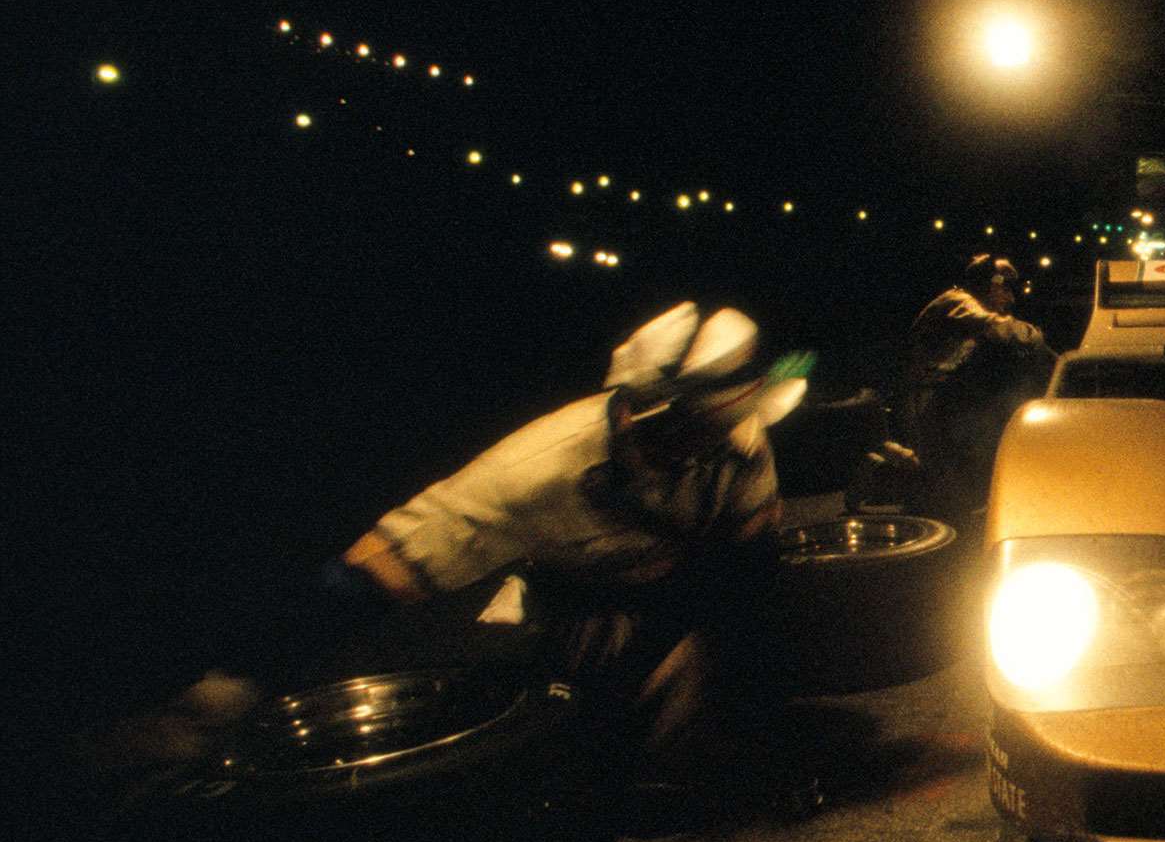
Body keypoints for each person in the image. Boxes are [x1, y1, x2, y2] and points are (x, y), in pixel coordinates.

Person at [117, 302, 810, 781]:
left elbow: (749, 570)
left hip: (682, 587)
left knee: (739, 664)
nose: (694, 452)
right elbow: (371, 576)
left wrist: (736, 664)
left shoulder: (739, 443)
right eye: (678, 434)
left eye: (711, 434)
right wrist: (231, 690)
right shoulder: (536, 472)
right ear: (635, 411)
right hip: (586, 600)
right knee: (640, 700)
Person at [905, 253, 1053, 521]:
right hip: (929, 397)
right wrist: (1036, 338)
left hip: (941, 395)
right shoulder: (958, 302)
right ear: (989, 284)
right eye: (1004, 288)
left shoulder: (964, 304)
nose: (1010, 298)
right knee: (942, 490)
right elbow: (1005, 332)